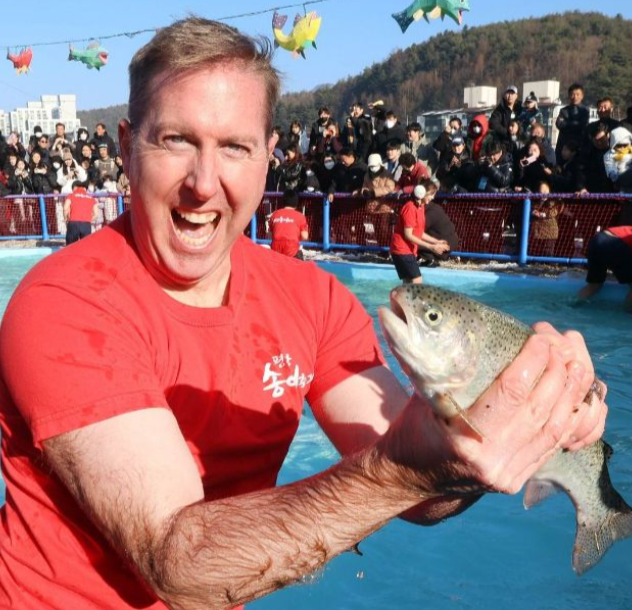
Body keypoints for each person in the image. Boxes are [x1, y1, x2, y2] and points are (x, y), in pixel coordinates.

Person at [0, 17, 607, 610]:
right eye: (176, 140)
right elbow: (177, 565)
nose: (203, 184)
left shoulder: (315, 301)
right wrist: (403, 472)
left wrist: (501, 430)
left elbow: (424, 494)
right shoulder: (65, 304)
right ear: (126, 147)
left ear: (269, 156)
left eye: (234, 147)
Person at [390, 184, 450, 283]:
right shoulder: (410, 208)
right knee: (417, 281)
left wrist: (436, 242)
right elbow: (408, 235)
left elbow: (419, 233)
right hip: (402, 250)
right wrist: (430, 247)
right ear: (423, 194)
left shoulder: (420, 207)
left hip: (408, 251)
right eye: (431, 194)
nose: (433, 197)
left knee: (408, 283)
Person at [577, 225, 632, 311]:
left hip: (597, 240)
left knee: (594, 285)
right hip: (613, 243)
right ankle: (626, 313)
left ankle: (572, 304)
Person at [268, 189, 309, 259]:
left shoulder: (275, 214)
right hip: (291, 247)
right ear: (296, 202)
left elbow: (269, 235)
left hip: (276, 246)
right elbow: (305, 236)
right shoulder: (300, 216)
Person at [63, 180, 99, 245]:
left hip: (73, 222)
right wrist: (88, 219)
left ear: (74, 187)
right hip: (86, 224)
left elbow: (65, 208)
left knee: (71, 246)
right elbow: (96, 214)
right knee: (85, 245)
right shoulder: (91, 198)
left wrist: (66, 218)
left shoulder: (71, 195)